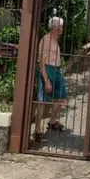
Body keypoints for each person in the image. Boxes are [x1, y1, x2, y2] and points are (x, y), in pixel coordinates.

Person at [33, 12, 67, 142]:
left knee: (60, 98)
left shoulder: (55, 41)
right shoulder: (46, 40)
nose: (62, 29)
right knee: (42, 102)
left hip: (56, 71)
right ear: (55, 28)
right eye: (60, 27)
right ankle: (37, 131)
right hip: (47, 70)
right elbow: (42, 62)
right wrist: (46, 80)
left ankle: (52, 121)